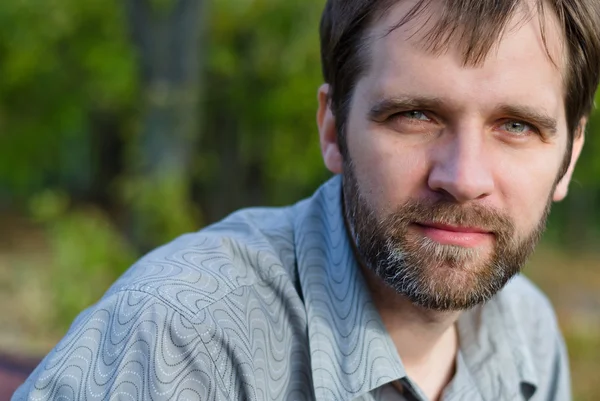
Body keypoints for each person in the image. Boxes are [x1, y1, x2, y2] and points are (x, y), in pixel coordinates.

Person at [14, 0, 600, 400]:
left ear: (569, 157)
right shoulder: (180, 336)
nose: (464, 176)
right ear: (331, 129)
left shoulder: (527, 330)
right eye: (414, 115)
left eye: (517, 126)